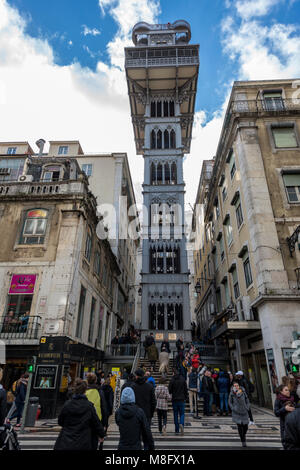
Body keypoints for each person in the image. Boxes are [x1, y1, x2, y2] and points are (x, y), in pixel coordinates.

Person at [54, 378, 105, 451]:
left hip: (66, 440)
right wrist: (101, 434)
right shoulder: (89, 406)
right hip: (83, 441)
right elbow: (96, 422)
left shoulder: (67, 404)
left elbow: (60, 421)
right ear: (85, 391)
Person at [130, 368, 156, 439]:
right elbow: (153, 401)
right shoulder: (150, 386)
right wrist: (151, 413)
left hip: (135, 413)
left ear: (137, 376)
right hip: (147, 414)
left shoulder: (132, 386)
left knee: (136, 435)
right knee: (146, 435)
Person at [85, 373, 109, 439]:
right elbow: (104, 408)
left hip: (84, 420)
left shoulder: (84, 391)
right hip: (97, 420)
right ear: (95, 381)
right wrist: (105, 423)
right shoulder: (99, 391)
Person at [229, 380, 250, 447]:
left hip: (244, 411)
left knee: (245, 427)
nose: (236, 387)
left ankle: (243, 435)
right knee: (240, 427)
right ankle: (243, 440)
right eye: (235, 386)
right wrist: (233, 408)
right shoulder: (232, 394)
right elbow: (230, 402)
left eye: (237, 385)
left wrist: (247, 407)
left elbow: (247, 400)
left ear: (239, 386)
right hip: (236, 412)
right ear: (233, 387)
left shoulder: (243, 392)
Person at [274, 384, 296, 448]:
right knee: (286, 443)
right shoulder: (278, 400)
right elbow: (276, 412)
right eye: (286, 390)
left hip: (295, 425)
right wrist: (285, 409)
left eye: (288, 390)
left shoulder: (293, 398)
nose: (288, 391)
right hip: (285, 425)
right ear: (281, 392)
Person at [168, 369, 188, 435]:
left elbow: (169, 390)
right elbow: (186, 389)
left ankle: (176, 429)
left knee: (175, 414)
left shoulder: (172, 380)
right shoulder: (183, 379)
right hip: (182, 399)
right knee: (182, 413)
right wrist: (185, 397)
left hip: (174, 399)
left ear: (173, 373)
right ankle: (181, 424)